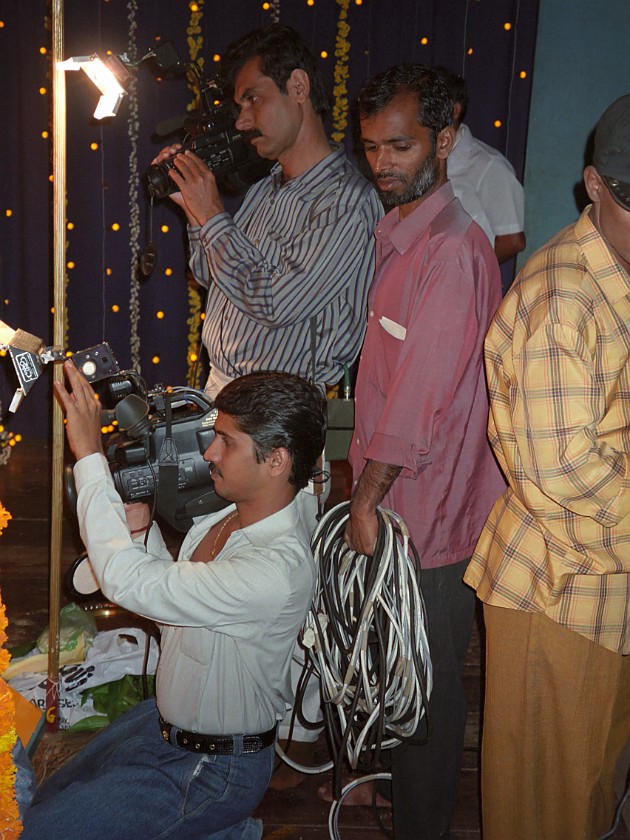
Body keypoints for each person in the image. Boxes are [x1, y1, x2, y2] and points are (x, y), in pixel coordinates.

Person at [21, 363, 327, 840]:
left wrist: (89, 457)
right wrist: (141, 533)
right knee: (47, 800)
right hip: (163, 723)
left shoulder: (275, 569)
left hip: (215, 766)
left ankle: (222, 825)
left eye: (227, 441)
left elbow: (129, 584)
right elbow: (173, 605)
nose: (209, 453)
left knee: (42, 832)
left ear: (277, 460)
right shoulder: (225, 519)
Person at [345, 64, 505, 839]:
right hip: (398, 506)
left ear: (445, 138)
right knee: (398, 675)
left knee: (431, 693)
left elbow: (416, 410)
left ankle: (422, 826)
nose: (382, 163)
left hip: (429, 521)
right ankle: (393, 792)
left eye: (400, 146)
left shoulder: (451, 251)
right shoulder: (400, 233)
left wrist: (366, 501)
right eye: (372, 146)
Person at [464, 93, 630, 840]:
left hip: (604, 583)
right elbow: (561, 475)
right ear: (595, 184)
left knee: (589, 787)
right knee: (547, 809)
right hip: (561, 589)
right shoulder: (564, 297)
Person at [154, 23, 382, 399]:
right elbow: (210, 276)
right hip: (223, 389)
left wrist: (212, 215)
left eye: (252, 100)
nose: (242, 122)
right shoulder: (265, 187)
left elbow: (275, 302)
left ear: (298, 87)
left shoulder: (346, 201)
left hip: (280, 407)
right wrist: (195, 213)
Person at [434, 66, 525, 267]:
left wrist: (469, 274)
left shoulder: (488, 165)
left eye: (429, 104)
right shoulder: (422, 159)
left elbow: (512, 241)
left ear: (455, 110)